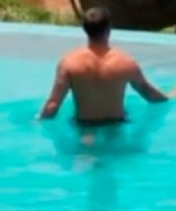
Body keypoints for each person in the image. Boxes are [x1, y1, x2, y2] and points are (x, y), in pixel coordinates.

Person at [39, 7, 168, 125]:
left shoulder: (69, 63)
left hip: (85, 125)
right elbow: (147, 92)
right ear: (108, 29)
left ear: (84, 29)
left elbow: (53, 104)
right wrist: (169, 99)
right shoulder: (125, 62)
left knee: (86, 144)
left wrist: (38, 121)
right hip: (116, 124)